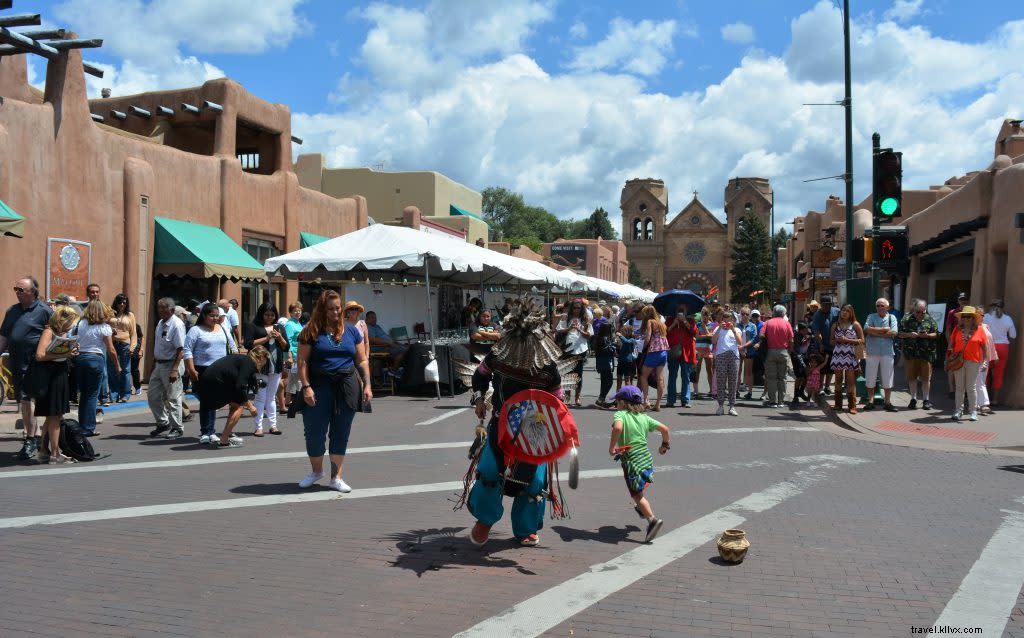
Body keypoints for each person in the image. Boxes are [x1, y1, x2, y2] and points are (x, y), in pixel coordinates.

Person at [463, 297, 570, 548]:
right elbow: (480, 376)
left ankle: (525, 528)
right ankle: (485, 520)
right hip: (501, 426)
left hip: (536, 431)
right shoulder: (498, 354)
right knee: (489, 473)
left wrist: (557, 423)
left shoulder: (547, 366)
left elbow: (557, 398)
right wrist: (479, 397)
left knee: (532, 483)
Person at [295, 292, 372, 492]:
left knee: (341, 432)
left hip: (346, 386)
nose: (336, 311)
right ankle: (316, 471)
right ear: (322, 309)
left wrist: (368, 384)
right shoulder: (310, 331)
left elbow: (362, 360)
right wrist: (306, 387)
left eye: (338, 307)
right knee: (314, 432)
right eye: (331, 308)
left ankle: (336, 477)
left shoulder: (352, 331)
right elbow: (302, 361)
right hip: (318, 387)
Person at [607, 385, 670, 543]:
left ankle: (652, 520)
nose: (616, 404)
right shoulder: (644, 417)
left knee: (636, 495)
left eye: (617, 401)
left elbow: (618, 428)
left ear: (623, 402)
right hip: (645, 458)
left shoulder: (620, 414)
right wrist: (664, 445)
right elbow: (665, 429)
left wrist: (612, 446)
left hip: (632, 460)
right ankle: (642, 508)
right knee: (639, 488)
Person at [0, 276, 54, 460]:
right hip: (16, 363)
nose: (17, 293)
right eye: (16, 289)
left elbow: (56, 335)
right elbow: (4, 336)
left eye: (20, 290)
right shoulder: (12, 311)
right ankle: (34, 436)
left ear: (33, 292)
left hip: (36, 365)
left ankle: (31, 439)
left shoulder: (44, 311)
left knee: (28, 402)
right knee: (24, 402)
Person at [184, 303, 238, 443]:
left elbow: (233, 347)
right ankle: (206, 432)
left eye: (217, 316)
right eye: (212, 316)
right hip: (202, 369)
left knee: (212, 400)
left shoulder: (223, 328)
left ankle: (210, 431)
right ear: (204, 316)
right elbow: (187, 350)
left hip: (221, 369)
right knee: (206, 400)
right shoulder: (195, 330)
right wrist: (191, 369)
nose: (215, 318)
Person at [32, 305, 80, 463]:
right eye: (71, 322)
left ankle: (44, 451)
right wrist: (66, 353)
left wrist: (71, 350)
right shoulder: (49, 331)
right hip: (50, 376)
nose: (72, 325)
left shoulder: (62, 333)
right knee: (54, 416)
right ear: (63, 319)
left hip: (59, 374)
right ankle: (55, 453)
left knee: (54, 415)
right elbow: (39, 355)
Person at [194, 347, 268, 447]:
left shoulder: (244, 360)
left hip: (206, 383)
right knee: (239, 405)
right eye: (265, 359)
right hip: (214, 385)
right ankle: (224, 439)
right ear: (261, 357)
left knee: (236, 401)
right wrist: (251, 407)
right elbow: (240, 386)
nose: (265, 363)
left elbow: (246, 380)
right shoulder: (249, 363)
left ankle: (228, 434)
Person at [244, 302, 289, 436]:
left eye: (272, 315)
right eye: (266, 314)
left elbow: (286, 347)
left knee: (271, 398)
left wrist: (279, 337)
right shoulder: (253, 326)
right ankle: (258, 427)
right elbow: (248, 344)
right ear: (261, 314)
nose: (269, 317)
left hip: (275, 367)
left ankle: (273, 426)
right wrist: (267, 337)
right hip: (259, 367)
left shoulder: (279, 327)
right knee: (260, 397)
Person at [76, 301, 118, 437]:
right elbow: (111, 349)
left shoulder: (81, 324)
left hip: (80, 359)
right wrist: (117, 365)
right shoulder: (104, 327)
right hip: (95, 359)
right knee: (92, 395)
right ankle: (88, 427)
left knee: (84, 394)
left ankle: (82, 425)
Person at [149, 297, 186, 439]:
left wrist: (175, 369)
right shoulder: (160, 323)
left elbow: (181, 349)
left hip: (171, 364)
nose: (160, 310)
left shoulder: (177, 325)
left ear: (171, 309)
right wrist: (153, 364)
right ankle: (163, 422)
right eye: (159, 307)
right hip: (159, 364)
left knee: (173, 397)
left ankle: (177, 427)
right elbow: (158, 345)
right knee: (152, 396)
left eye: (163, 307)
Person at [946, 305, 986, 422]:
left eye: (969, 317)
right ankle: (958, 410)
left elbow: (984, 348)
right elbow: (951, 345)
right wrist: (948, 357)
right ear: (961, 318)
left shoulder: (980, 330)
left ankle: (973, 411)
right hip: (958, 360)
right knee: (959, 387)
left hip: (973, 361)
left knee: (971, 387)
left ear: (973, 318)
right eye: (964, 317)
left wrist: (984, 362)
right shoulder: (957, 330)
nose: (966, 319)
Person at [898, 299, 939, 410]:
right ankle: (913, 399)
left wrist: (927, 335)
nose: (920, 314)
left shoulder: (929, 319)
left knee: (926, 379)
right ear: (914, 309)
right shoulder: (906, 319)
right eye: (918, 312)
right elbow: (899, 333)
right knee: (912, 378)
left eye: (923, 311)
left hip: (926, 354)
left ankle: (926, 400)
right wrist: (909, 334)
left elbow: (937, 334)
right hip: (911, 354)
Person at [863, 298, 899, 412]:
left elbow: (894, 332)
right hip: (872, 351)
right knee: (870, 377)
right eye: (878, 305)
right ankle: (870, 401)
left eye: (882, 305)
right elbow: (867, 329)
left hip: (887, 352)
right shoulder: (871, 316)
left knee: (887, 377)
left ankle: (887, 402)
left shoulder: (892, 317)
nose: (879, 307)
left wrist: (875, 332)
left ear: (887, 307)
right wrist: (884, 330)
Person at [830, 304, 864, 414]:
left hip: (851, 355)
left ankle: (852, 406)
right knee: (838, 380)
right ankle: (838, 404)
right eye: (843, 310)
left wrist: (847, 340)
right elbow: (831, 341)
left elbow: (862, 340)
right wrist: (838, 340)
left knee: (850, 381)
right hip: (838, 355)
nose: (844, 312)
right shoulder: (835, 325)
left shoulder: (855, 324)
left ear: (851, 313)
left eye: (847, 311)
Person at [556, 299, 591, 406]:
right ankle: (567, 397)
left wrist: (580, 330)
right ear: (572, 308)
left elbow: (589, 335)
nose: (577, 310)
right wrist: (569, 328)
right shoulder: (566, 318)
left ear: (582, 309)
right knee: (568, 373)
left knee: (578, 374)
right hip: (567, 349)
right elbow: (559, 330)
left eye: (579, 308)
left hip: (580, 349)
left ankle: (577, 397)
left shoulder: (586, 319)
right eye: (575, 308)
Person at [759, 305, 794, 408]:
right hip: (783, 351)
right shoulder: (787, 323)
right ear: (783, 313)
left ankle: (773, 401)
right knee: (782, 378)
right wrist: (789, 352)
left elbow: (761, 335)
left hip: (770, 351)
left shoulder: (768, 323)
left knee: (771, 378)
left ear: (774, 312)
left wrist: (766, 339)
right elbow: (791, 340)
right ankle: (781, 401)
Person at [983, 300, 1016, 406]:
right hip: (1003, 347)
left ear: (991, 307)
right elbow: (1013, 335)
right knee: (999, 373)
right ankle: (995, 400)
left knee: (986, 373)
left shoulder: (986, 317)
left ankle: (985, 399)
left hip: (989, 346)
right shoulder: (1007, 318)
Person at [711, 313, 744, 416]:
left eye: (728, 320)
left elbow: (740, 342)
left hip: (733, 356)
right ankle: (720, 406)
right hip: (721, 356)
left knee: (733, 382)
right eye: (724, 320)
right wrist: (720, 328)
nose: (726, 322)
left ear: (733, 321)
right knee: (721, 381)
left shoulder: (737, 330)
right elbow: (713, 341)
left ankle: (732, 406)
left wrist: (733, 329)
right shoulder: (718, 329)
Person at [637, 305, 668, 411]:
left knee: (643, 376)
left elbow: (648, 336)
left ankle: (646, 400)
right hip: (663, 351)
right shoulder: (660, 322)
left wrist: (644, 346)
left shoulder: (650, 321)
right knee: (660, 378)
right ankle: (658, 404)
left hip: (654, 351)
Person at [665, 304, 696, 409]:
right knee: (672, 376)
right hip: (673, 351)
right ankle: (671, 400)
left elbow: (694, 333)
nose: (681, 311)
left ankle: (685, 400)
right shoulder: (670, 320)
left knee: (686, 377)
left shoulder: (691, 321)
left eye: (683, 309)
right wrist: (674, 323)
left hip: (687, 352)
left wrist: (685, 322)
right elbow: (665, 333)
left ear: (686, 311)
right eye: (679, 309)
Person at [108, 293, 137, 404]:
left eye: (124, 302)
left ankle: (125, 394)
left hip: (125, 344)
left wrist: (132, 347)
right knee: (112, 369)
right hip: (112, 343)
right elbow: (105, 326)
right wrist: (111, 329)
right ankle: (113, 394)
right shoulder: (110, 313)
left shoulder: (130, 315)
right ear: (116, 302)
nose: (122, 304)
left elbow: (133, 332)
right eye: (120, 302)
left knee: (125, 370)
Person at [811, 296, 840, 396]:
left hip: (834, 345)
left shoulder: (836, 311)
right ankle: (821, 387)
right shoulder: (817, 314)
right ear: (821, 305)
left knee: (831, 368)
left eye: (828, 305)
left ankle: (827, 386)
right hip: (822, 345)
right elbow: (817, 332)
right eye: (824, 305)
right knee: (822, 368)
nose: (826, 307)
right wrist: (820, 344)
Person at [282, 302, 304, 403]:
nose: (298, 312)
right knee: (299, 379)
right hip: (294, 356)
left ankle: (287, 401)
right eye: (295, 311)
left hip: (298, 354)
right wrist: (289, 356)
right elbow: (288, 341)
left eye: (299, 310)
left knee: (292, 379)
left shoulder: (297, 323)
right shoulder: (290, 324)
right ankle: (300, 403)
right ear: (290, 313)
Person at [593, 321, 618, 407]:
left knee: (604, 381)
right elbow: (608, 350)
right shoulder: (605, 338)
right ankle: (601, 398)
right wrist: (614, 344)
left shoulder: (599, 337)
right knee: (609, 382)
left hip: (600, 362)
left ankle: (601, 399)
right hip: (606, 362)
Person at [789, 323, 811, 408]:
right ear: (801, 330)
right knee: (799, 377)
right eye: (805, 329)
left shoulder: (808, 335)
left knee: (807, 375)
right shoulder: (797, 336)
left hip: (805, 357)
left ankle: (801, 392)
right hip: (796, 358)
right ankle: (795, 396)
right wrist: (802, 364)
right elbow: (796, 351)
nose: (807, 331)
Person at [615, 324, 637, 390]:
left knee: (627, 380)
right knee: (619, 380)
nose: (621, 332)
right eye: (621, 331)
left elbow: (627, 342)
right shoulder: (622, 339)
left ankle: (627, 397)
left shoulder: (632, 339)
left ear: (628, 332)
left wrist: (620, 336)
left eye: (623, 331)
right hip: (621, 361)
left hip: (627, 361)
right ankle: (618, 398)